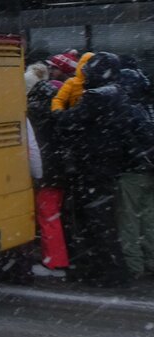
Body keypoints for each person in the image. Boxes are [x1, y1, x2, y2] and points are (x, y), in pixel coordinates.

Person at [54, 52, 138, 286]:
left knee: (94, 221)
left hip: (91, 165)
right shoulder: (119, 93)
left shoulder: (95, 96)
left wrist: (59, 113)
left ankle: (104, 272)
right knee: (105, 220)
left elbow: (71, 121)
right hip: (108, 164)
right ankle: (111, 270)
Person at [26, 61, 69, 277]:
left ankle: (55, 263)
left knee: (48, 216)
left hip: (48, 171)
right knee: (55, 216)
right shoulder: (57, 102)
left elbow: (34, 147)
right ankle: (58, 259)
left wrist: (38, 173)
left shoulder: (34, 110)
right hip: (61, 168)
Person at [116, 66, 154, 280]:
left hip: (132, 172)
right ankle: (151, 260)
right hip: (149, 170)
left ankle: (134, 265)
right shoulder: (146, 108)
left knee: (129, 219)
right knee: (149, 218)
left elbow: (124, 141)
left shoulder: (126, 109)